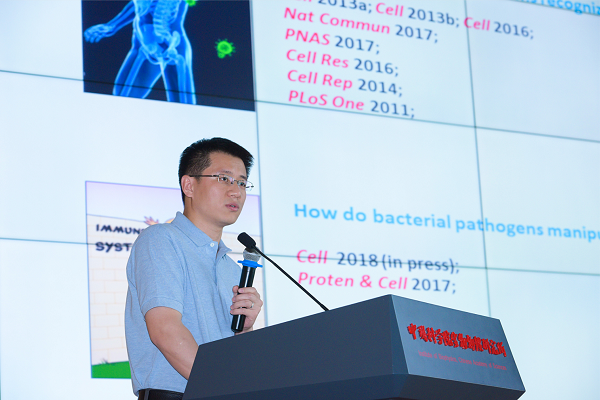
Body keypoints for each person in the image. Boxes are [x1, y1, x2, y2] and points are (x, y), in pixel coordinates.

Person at [125, 137, 262, 400]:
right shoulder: (161, 240)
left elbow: (235, 359)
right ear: (189, 185)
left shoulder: (232, 269)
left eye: (242, 183)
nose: (236, 191)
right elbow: (165, 329)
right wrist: (223, 389)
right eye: (224, 179)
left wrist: (245, 330)